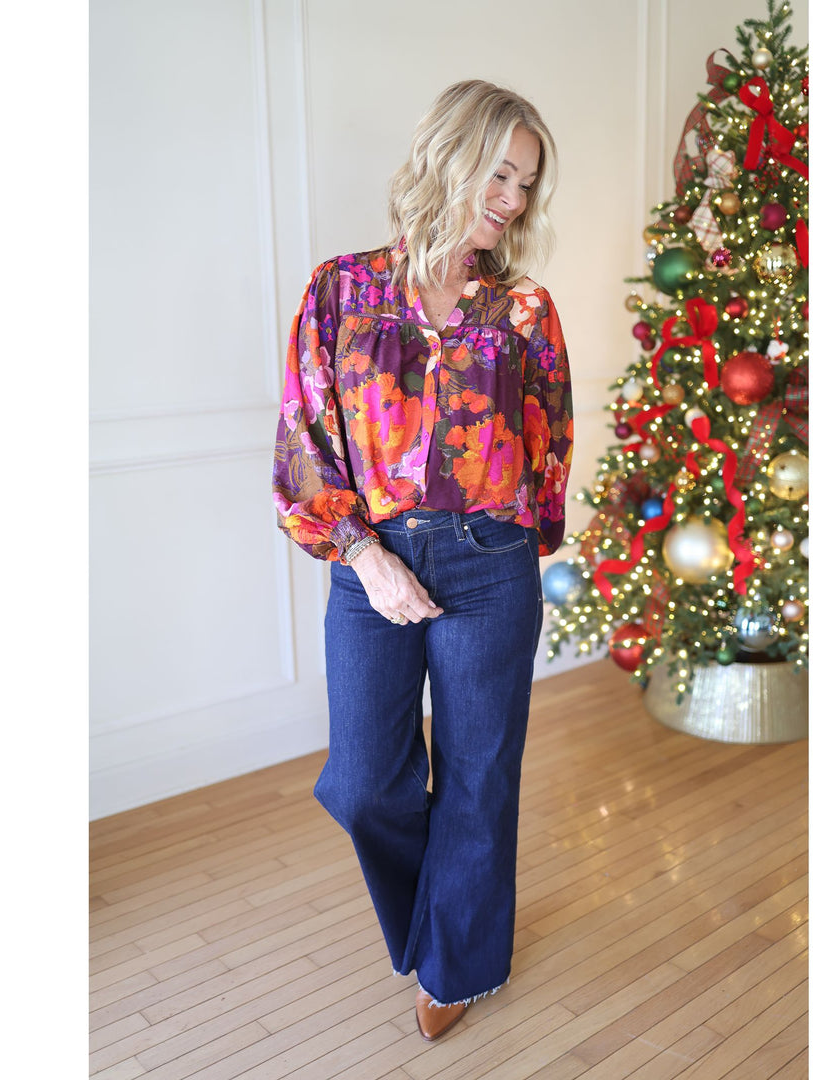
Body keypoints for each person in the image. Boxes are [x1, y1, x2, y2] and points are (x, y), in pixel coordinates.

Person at [272, 79, 572, 1042]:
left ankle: (459, 961)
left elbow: (549, 440)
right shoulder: (340, 289)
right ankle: (447, 899)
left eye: (526, 184)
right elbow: (303, 444)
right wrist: (364, 554)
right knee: (361, 782)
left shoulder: (525, 308)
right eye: (501, 172)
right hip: (375, 560)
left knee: (482, 773)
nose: (514, 199)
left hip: (494, 560)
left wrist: (520, 550)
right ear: (450, 154)